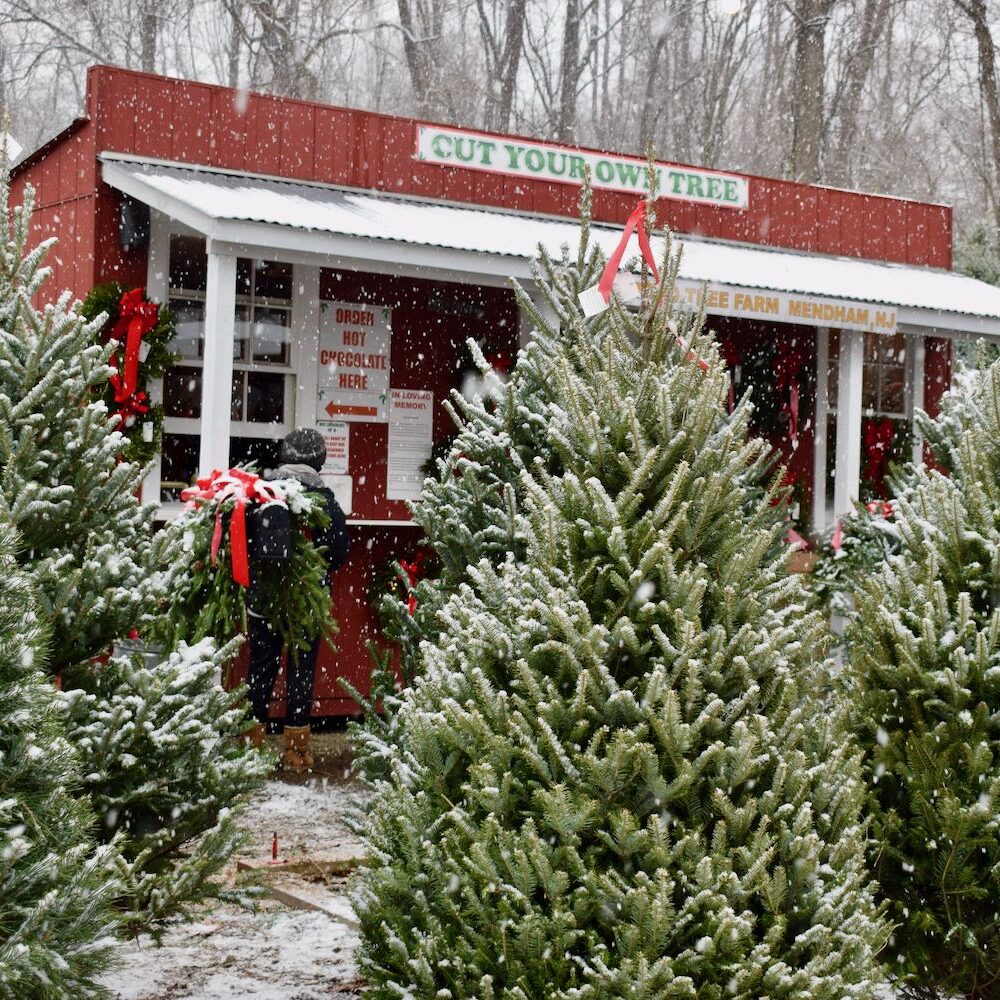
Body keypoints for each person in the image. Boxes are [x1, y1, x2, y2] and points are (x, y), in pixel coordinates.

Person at [245, 428, 350, 770]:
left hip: (263, 600)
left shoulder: (263, 495)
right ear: (318, 460)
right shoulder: (325, 500)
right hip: (308, 601)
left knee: (260, 671)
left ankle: (250, 748)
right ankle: (296, 754)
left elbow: (245, 546)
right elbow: (337, 553)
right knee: (301, 673)